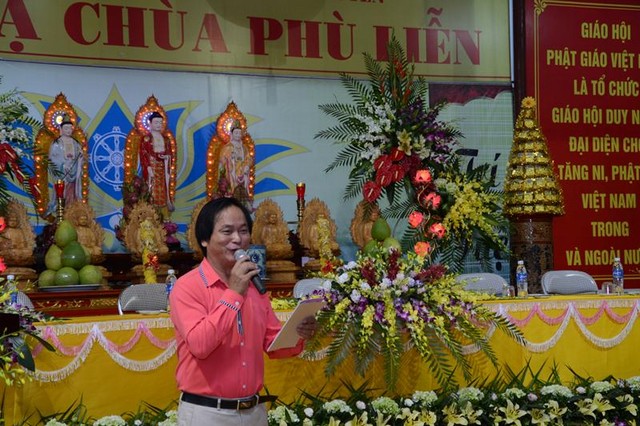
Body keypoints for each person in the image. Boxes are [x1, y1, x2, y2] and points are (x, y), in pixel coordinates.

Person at [169, 197, 317, 425]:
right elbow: (200, 345)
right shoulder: (187, 287)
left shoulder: (254, 285)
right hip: (207, 414)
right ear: (204, 239)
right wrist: (234, 293)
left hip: (254, 412)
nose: (237, 239)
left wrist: (299, 333)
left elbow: (273, 344)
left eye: (243, 231)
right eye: (227, 231)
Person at [140, 111, 174, 218]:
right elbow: (143, 154)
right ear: (150, 123)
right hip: (152, 167)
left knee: (164, 190)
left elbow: (170, 153)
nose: (158, 125)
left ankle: (164, 216)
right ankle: (151, 215)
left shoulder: (166, 139)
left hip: (163, 168)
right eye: (156, 122)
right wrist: (148, 167)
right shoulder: (146, 139)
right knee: (151, 190)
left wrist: (166, 157)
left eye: (160, 122)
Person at [48, 116, 84, 207]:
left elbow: (79, 156)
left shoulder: (75, 143)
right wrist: (63, 165)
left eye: (70, 128)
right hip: (63, 173)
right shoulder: (57, 144)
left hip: (74, 171)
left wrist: (80, 156)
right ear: (61, 129)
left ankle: (72, 209)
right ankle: (61, 209)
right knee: (62, 191)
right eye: (66, 128)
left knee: (73, 193)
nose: (68, 131)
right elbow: (52, 159)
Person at [217, 125, 251, 203]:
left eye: (240, 133)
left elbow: (248, 159)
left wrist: (247, 166)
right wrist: (230, 159)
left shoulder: (244, 148)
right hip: (232, 173)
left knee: (242, 193)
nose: (238, 135)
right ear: (231, 134)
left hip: (242, 172)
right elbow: (222, 161)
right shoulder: (227, 148)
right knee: (232, 190)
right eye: (236, 133)